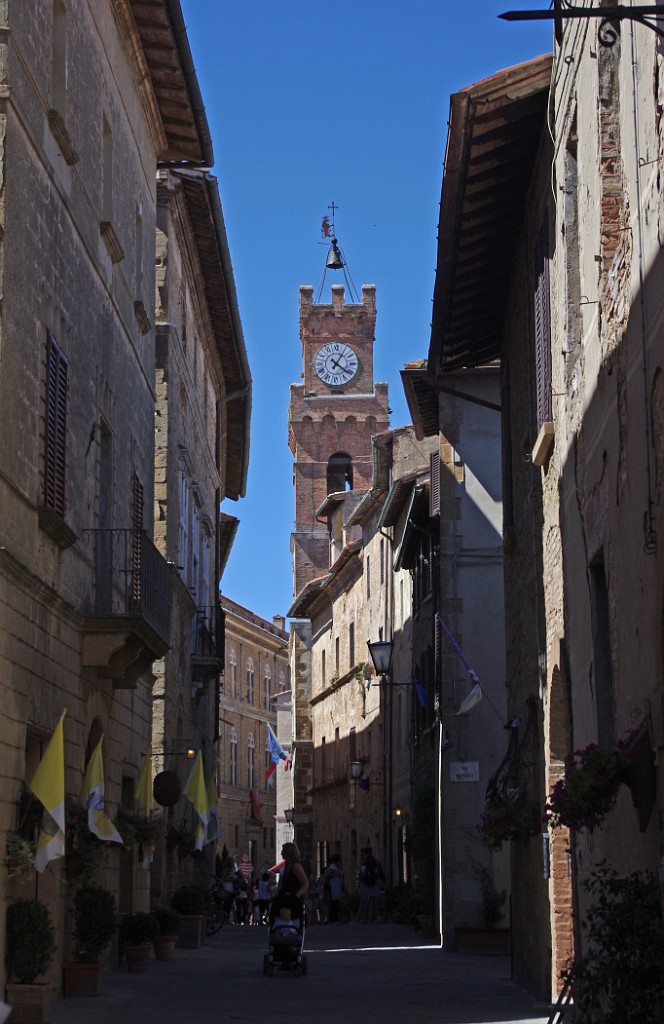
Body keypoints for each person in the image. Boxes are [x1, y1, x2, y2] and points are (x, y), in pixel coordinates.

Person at [271, 841, 309, 918]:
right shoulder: (285, 867)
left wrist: (298, 894)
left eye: (283, 851)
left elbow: (305, 883)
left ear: (288, 853)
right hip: (284, 896)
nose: (281, 853)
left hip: (293, 896)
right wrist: (275, 895)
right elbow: (280, 884)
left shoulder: (296, 866)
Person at [356, 847, 384, 923]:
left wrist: (359, 883)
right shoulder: (376, 861)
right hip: (374, 884)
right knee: (372, 901)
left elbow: (361, 876)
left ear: (365, 853)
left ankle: (359, 919)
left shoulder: (364, 863)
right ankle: (370, 919)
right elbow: (379, 873)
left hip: (365, 884)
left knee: (362, 902)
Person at [323, 854, 344, 923]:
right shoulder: (333, 867)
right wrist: (336, 873)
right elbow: (327, 875)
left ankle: (335, 918)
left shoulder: (337, 867)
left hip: (337, 887)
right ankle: (333, 918)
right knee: (333, 904)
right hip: (333, 887)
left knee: (336, 903)